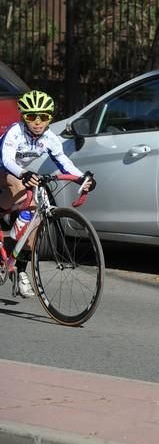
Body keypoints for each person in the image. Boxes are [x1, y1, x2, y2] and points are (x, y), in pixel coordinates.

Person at [0, 90, 96, 298]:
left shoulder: (50, 138)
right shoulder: (15, 132)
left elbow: (63, 162)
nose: (37, 122)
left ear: (49, 118)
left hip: (16, 173)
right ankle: (10, 238)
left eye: (43, 117)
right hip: (5, 169)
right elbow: (7, 160)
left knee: (33, 223)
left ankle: (20, 268)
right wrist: (24, 173)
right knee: (20, 187)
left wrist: (82, 178)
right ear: (23, 117)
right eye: (31, 116)